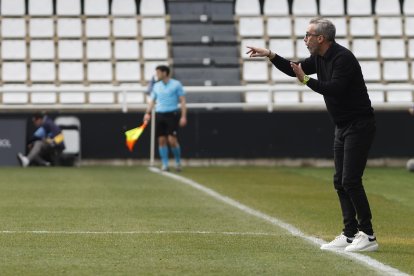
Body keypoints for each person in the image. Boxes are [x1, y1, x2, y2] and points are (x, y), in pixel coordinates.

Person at [247, 18, 378, 252]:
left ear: (321, 38)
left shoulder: (342, 58)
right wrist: (270, 54)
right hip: (342, 126)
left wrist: (305, 80)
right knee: (340, 181)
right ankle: (349, 234)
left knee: (350, 180)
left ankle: (368, 235)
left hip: (360, 125)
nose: (305, 39)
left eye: (308, 35)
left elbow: (335, 89)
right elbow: (294, 68)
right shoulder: (319, 57)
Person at [143, 65, 187, 172]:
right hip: (159, 115)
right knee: (161, 140)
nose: (156, 75)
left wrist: (183, 116)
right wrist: (147, 113)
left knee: (172, 140)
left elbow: (182, 101)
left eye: (158, 72)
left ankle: (177, 163)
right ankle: (165, 164)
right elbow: (152, 101)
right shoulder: (156, 86)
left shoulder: (176, 84)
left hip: (172, 114)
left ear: (164, 73)